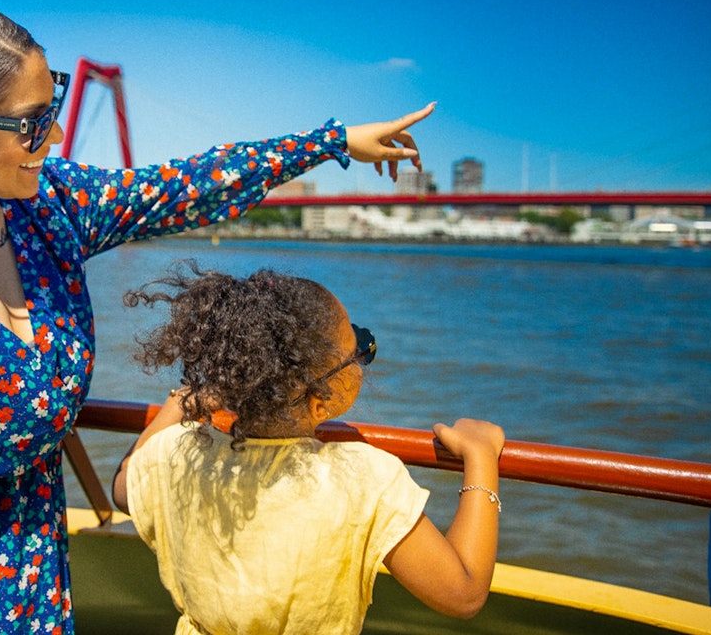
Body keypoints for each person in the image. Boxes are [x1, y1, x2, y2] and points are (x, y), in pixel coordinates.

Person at [0, 0, 436, 635]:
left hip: (39, 583)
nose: (56, 134)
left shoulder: (50, 207)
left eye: (54, 103)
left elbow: (185, 187)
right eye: (31, 122)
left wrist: (332, 141)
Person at [112, 265, 505, 634]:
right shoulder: (363, 479)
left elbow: (123, 487)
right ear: (321, 401)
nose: (363, 357)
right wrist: (482, 456)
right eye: (360, 351)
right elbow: (463, 593)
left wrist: (183, 402)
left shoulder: (178, 454)